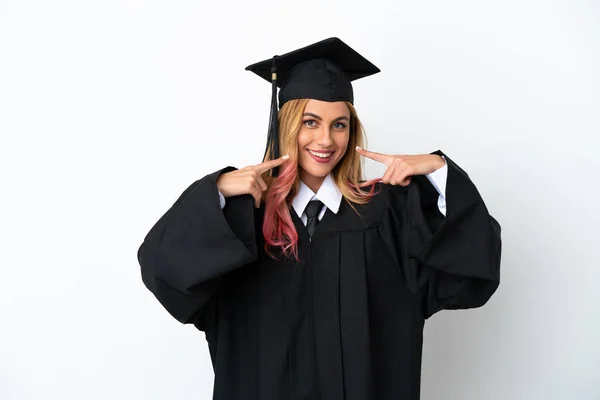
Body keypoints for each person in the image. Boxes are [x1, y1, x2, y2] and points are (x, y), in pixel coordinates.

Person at [137, 37, 502, 400]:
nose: (325, 140)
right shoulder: (240, 219)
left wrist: (439, 171)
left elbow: (470, 273)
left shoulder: (387, 214)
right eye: (310, 122)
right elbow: (165, 271)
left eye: (339, 125)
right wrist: (215, 192)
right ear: (286, 125)